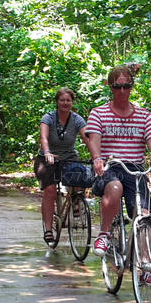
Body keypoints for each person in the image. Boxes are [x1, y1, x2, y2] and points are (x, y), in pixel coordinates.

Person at [85, 64, 151, 259]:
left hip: (134, 169)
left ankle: (146, 264)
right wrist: (97, 158)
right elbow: (94, 140)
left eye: (125, 86)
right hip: (110, 166)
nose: (121, 91)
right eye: (117, 87)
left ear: (131, 87)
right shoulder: (98, 113)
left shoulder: (143, 115)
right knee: (114, 188)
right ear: (110, 87)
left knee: (144, 214)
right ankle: (104, 234)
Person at [38, 88, 89, 245]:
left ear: (72, 102)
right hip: (48, 158)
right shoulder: (48, 118)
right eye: (62, 100)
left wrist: (97, 154)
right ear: (57, 102)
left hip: (68, 156)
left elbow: (87, 137)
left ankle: (75, 201)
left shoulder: (77, 119)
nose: (65, 103)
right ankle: (48, 229)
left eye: (68, 100)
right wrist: (47, 152)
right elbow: (44, 138)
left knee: (81, 176)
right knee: (50, 190)